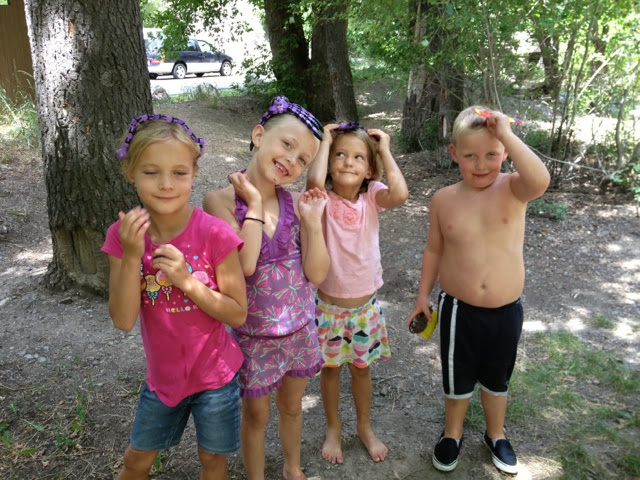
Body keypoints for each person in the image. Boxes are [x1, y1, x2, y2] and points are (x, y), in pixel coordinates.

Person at [103, 114, 248, 480]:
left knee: (212, 460)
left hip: (216, 377)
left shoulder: (215, 234)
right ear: (130, 173)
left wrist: (187, 281)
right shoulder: (123, 235)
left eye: (179, 172)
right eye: (151, 172)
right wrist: (133, 255)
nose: (166, 184)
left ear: (194, 173)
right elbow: (122, 320)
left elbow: (237, 314)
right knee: (136, 461)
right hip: (163, 380)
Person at [407, 106, 550, 474]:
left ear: (504, 152)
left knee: (496, 378)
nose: (482, 164)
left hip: (505, 311)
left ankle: (496, 434)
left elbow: (540, 180)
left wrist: (507, 134)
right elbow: (434, 250)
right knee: (457, 378)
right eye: (470, 155)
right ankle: (452, 433)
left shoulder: (514, 188)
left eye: (491, 154)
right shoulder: (443, 199)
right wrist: (423, 296)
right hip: (458, 310)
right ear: (454, 154)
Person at [202, 96, 329, 480]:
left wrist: (312, 224)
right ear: (259, 135)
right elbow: (245, 263)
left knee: (292, 406)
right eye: (287, 144)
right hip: (252, 337)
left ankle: (292, 467)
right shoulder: (219, 202)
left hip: (299, 331)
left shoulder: (297, 204)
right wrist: (255, 204)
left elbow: (317, 274)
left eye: (303, 159)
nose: (292, 160)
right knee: (256, 415)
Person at [306, 121, 409, 464]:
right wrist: (324, 140)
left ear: (369, 170)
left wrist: (385, 151)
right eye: (340, 155)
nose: (348, 162)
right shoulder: (321, 199)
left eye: (358, 157)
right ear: (329, 162)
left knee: (362, 370)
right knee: (331, 371)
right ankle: (333, 428)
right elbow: (313, 181)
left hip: (365, 309)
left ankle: (364, 427)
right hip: (328, 310)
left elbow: (400, 194)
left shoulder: (372, 196)